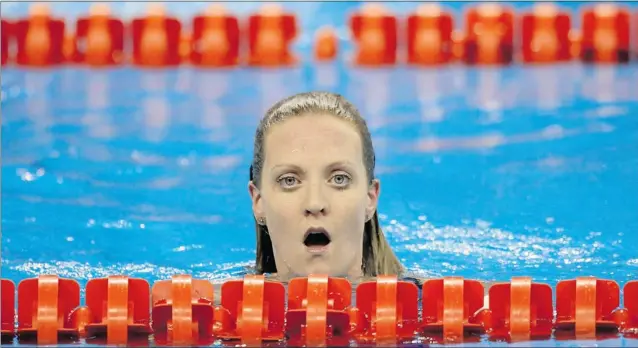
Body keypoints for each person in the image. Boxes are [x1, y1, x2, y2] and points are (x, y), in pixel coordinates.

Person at [247, 91, 412, 285]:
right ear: (259, 202)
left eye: (339, 179)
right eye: (289, 180)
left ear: (370, 198)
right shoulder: (211, 308)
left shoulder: (438, 303)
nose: (315, 203)